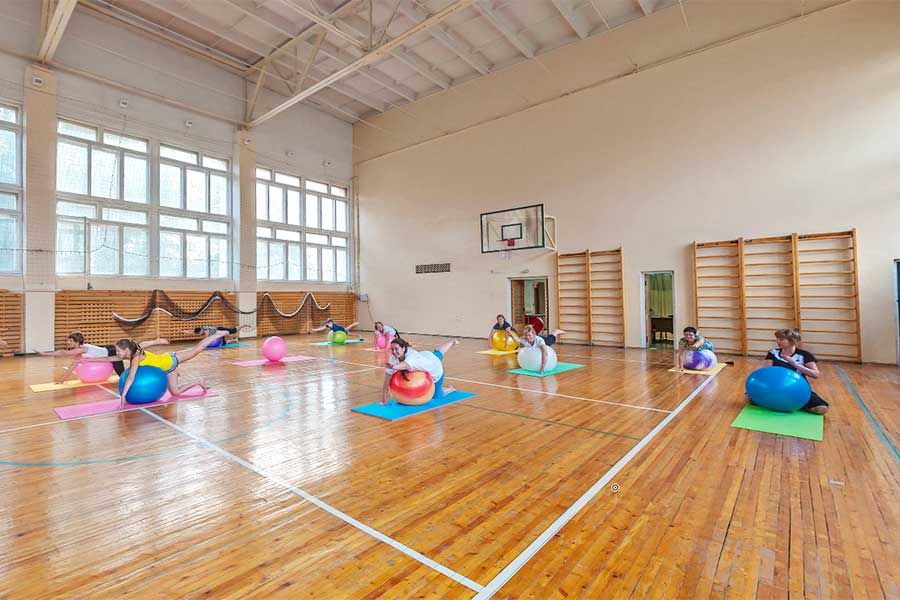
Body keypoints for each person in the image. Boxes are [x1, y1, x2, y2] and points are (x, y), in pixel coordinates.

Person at [83, 330, 227, 406]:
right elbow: (110, 358)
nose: (117, 353)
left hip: (171, 360)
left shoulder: (136, 357)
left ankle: (216, 335)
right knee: (175, 393)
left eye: (118, 350)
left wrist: (123, 395)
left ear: (126, 350)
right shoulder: (131, 352)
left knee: (196, 349)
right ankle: (199, 382)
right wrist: (89, 360)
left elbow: (131, 377)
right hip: (167, 369)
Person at [37, 331, 168, 384]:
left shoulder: (82, 349)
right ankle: (155, 344)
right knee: (134, 352)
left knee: (125, 371)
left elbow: (63, 353)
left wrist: (45, 354)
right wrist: (62, 380)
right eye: (68, 341)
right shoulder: (78, 352)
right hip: (107, 351)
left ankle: (156, 343)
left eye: (70, 341)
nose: (68, 343)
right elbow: (73, 365)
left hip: (111, 352)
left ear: (77, 342)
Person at [762, 328, 829, 415]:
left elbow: (816, 375)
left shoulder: (804, 355)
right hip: (775, 387)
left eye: (781, 339)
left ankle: (796, 403)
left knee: (822, 409)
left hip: (797, 388)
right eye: (777, 338)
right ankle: (785, 402)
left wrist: (794, 364)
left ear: (792, 341)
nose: (777, 341)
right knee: (748, 397)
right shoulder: (773, 353)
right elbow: (767, 371)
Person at [382, 337, 458, 405]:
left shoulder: (412, 356)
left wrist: (394, 367)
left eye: (396, 349)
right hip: (426, 356)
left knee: (437, 396)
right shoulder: (394, 358)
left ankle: (450, 389)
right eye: (392, 349)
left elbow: (405, 365)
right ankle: (452, 342)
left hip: (435, 367)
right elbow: (387, 377)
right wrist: (384, 395)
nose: (394, 352)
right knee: (439, 353)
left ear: (403, 348)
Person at [182, 324, 250, 345]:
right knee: (223, 343)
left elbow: (207, 338)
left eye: (199, 333)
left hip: (220, 330)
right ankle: (234, 340)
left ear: (201, 330)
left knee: (233, 331)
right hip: (217, 334)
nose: (199, 334)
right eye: (198, 334)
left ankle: (244, 325)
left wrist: (201, 344)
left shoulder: (205, 331)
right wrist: (184, 331)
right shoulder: (199, 330)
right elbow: (192, 332)